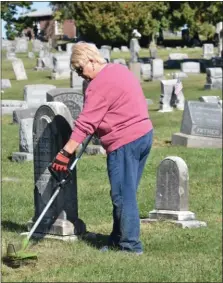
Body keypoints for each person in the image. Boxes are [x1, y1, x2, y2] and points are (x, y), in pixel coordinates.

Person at [51, 42, 153, 254]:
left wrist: (65, 153)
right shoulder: (118, 70)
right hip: (144, 135)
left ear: (91, 60)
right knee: (127, 192)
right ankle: (118, 238)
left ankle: (130, 246)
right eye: (77, 72)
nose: (81, 75)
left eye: (80, 69)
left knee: (123, 196)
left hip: (125, 141)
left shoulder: (98, 85)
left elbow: (85, 123)